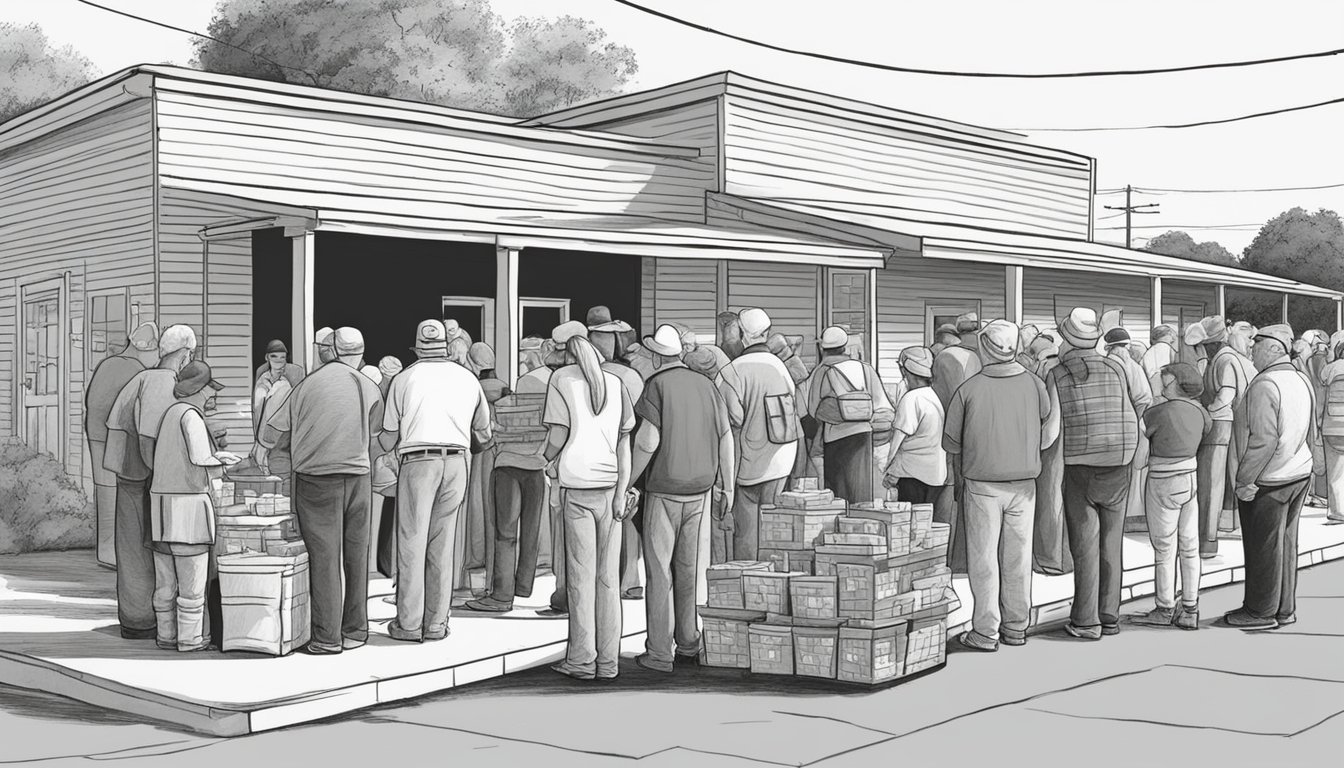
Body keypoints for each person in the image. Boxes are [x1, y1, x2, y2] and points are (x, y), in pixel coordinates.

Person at [258, 327, 383, 654]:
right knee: (357, 555)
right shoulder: (368, 386)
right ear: (357, 353)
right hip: (358, 477)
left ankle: (328, 637)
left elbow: (271, 434)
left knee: (324, 558)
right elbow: (377, 430)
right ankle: (356, 630)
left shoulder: (304, 386)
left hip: (316, 478)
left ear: (328, 351)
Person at [630, 325, 735, 673]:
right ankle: (689, 641)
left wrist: (627, 481)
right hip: (700, 489)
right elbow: (725, 437)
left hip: (664, 488)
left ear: (658, 355)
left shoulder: (656, 386)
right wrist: (728, 485)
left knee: (660, 571)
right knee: (689, 569)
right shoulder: (706, 385)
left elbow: (647, 440)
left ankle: (659, 651)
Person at [944, 320, 1053, 651]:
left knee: (984, 560)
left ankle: (986, 631)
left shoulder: (970, 389)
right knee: (1018, 558)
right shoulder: (1035, 384)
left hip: (982, 484)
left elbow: (951, 442)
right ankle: (1016, 626)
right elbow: (1045, 420)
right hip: (1024, 484)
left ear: (985, 348)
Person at [380, 320, 491, 642]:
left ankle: (410, 624)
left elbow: (388, 435)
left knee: (412, 544)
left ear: (417, 348)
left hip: (418, 462)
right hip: (457, 461)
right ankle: (436, 624)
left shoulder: (405, 379)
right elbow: (482, 428)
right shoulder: (467, 378)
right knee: (443, 547)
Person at [543, 334, 636, 680]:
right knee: (608, 581)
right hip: (611, 487)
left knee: (581, 579)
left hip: (577, 487)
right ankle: (609, 662)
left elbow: (556, 436)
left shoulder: (561, 380)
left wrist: (545, 460)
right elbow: (624, 442)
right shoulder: (615, 383)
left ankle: (582, 659)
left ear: (567, 355)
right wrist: (622, 490)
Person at [1046, 309, 1141, 640]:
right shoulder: (1116, 366)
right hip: (1120, 458)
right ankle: (1110, 615)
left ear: (1067, 340)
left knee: (1085, 543)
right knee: (1111, 542)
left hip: (1082, 462)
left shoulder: (1056, 373)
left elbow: (1051, 430)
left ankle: (1086, 621)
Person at [104, 324, 198, 640]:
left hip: (127, 469)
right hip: (142, 473)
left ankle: (135, 618)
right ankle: (145, 620)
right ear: (185, 355)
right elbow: (149, 439)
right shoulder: (162, 381)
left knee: (132, 545)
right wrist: (163, 475)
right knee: (146, 548)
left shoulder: (143, 377)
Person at [1226, 324, 1314, 630]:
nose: (1252, 349)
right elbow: (1309, 430)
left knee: (1262, 546)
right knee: (1287, 545)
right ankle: (1284, 609)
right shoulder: (1300, 379)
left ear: (1273, 349)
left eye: (1257, 344)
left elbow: (1263, 440)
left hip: (1269, 477)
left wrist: (1244, 479)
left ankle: (1260, 611)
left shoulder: (1265, 384)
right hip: (1298, 471)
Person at [148, 361, 237, 652]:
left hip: (160, 506)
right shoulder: (191, 418)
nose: (213, 396)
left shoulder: (169, 415)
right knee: (192, 585)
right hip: (187, 507)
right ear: (199, 389)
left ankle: (166, 635)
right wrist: (224, 459)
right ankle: (190, 639)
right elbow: (201, 458)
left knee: (165, 584)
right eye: (211, 389)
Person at [715, 308, 801, 560]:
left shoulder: (732, 371)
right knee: (773, 528)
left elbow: (730, 421)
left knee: (745, 531)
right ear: (766, 333)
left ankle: (749, 582)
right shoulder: (781, 368)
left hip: (746, 464)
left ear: (742, 333)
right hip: (781, 460)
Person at [1132, 362, 1211, 630]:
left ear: (1173, 384)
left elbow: (1139, 462)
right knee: (1189, 547)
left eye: (1164, 382)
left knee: (1164, 548)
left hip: (1162, 480)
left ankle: (1164, 607)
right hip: (1190, 478)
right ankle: (1190, 608)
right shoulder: (1200, 413)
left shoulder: (1155, 413)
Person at [85, 322, 160, 566]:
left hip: (96, 433)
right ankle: (120, 553)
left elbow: (90, 402)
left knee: (104, 489)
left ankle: (105, 550)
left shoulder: (107, 364)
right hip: (118, 436)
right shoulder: (137, 370)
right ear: (144, 348)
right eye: (155, 351)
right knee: (124, 492)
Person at [587, 307, 646, 601]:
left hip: (598, 456)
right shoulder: (630, 376)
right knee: (625, 519)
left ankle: (613, 581)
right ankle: (629, 580)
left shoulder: (583, 376)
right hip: (624, 453)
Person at [803, 326, 893, 503]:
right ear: (845, 346)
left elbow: (812, 409)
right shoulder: (866, 369)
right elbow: (881, 404)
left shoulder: (822, 371)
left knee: (838, 491)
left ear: (823, 348)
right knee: (860, 488)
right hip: (863, 435)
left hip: (835, 437)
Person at [1196, 316, 1247, 558]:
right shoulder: (1223, 358)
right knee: (1220, 481)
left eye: (1205, 344)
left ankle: (1208, 540)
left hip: (1218, 425)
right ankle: (1217, 531)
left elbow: (1226, 394)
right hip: (1223, 425)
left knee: (1211, 483)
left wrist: (1206, 413)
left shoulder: (1224, 360)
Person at [882, 347, 947, 503]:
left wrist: (889, 471)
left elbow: (897, 441)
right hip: (935, 474)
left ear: (905, 371)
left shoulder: (911, 399)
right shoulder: (933, 396)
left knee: (908, 523)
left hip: (911, 475)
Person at [1105, 328, 1154, 533]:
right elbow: (1145, 399)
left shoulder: (1105, 366)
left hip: (1110, 427)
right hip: (1133, 426)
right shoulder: (1134, 367)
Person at [373, 356, 404, 578]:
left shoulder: (379, 393)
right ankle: (389, 565)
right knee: (393, 510)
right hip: (389, 460)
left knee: (389, 511)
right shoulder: (397, 393)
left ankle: (387, 565)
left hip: (383, 460)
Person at [1319, 331, 1344, 525]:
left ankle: (1337, 512)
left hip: (1332, 426)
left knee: (1335, 472)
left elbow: (1321, 394)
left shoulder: (1330, 369)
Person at [1143, 325, 1179, 396]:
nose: (1173, 338)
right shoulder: (1166, 349)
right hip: (1164, 389)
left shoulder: (1149, 352)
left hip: (1150, 390)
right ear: (1167, 334)